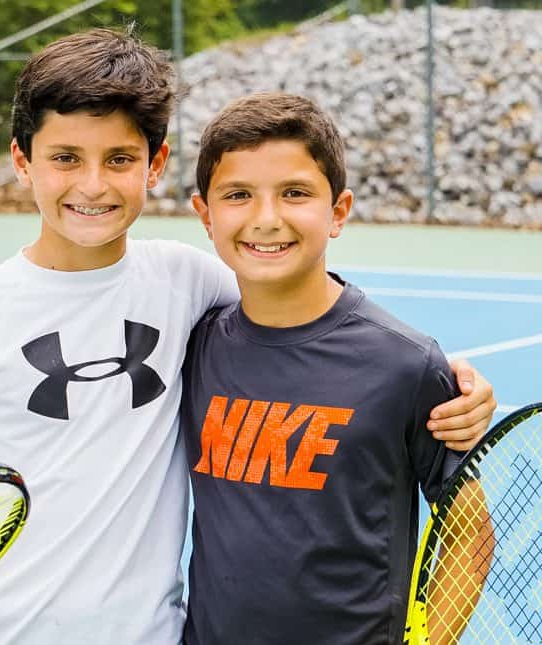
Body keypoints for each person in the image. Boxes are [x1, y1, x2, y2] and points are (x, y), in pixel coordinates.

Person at [0, 28, 495, 645]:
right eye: (65, 157)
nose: (93, 184)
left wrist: (451, 377)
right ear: (23, 163)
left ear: (154, 166)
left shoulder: (188, 282)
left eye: (120, 159)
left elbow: (315, 320)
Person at [180, 92, 493, 645]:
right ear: (205, 215)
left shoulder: (406, 364)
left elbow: (470, 535)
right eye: (238, 195)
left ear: (338, 212)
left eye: (295, 193)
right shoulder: (193, 345)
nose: (267, 218)